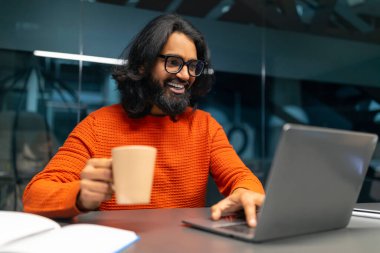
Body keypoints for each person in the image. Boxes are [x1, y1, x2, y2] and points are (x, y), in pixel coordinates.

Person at [23, 13, 265, 227]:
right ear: (141, 66)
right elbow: (35, 195)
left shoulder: (204, 126)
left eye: (193, 66)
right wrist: (80, 195)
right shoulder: (97, 125)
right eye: (173, 62)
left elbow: (242, 178)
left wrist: (246, 192)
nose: (184, 75)